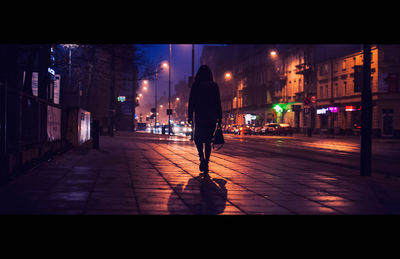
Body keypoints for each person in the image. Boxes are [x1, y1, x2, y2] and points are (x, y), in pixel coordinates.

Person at [188, 65, 222, 174]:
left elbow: (191, 102)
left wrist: (189, 116)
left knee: (198, 138)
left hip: (200, 116)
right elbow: (218, 102)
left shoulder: (196, 85)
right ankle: (206, 161)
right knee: (208, 141)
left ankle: (201, 158)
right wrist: (219, 117)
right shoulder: (214, 86)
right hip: (211, 116)